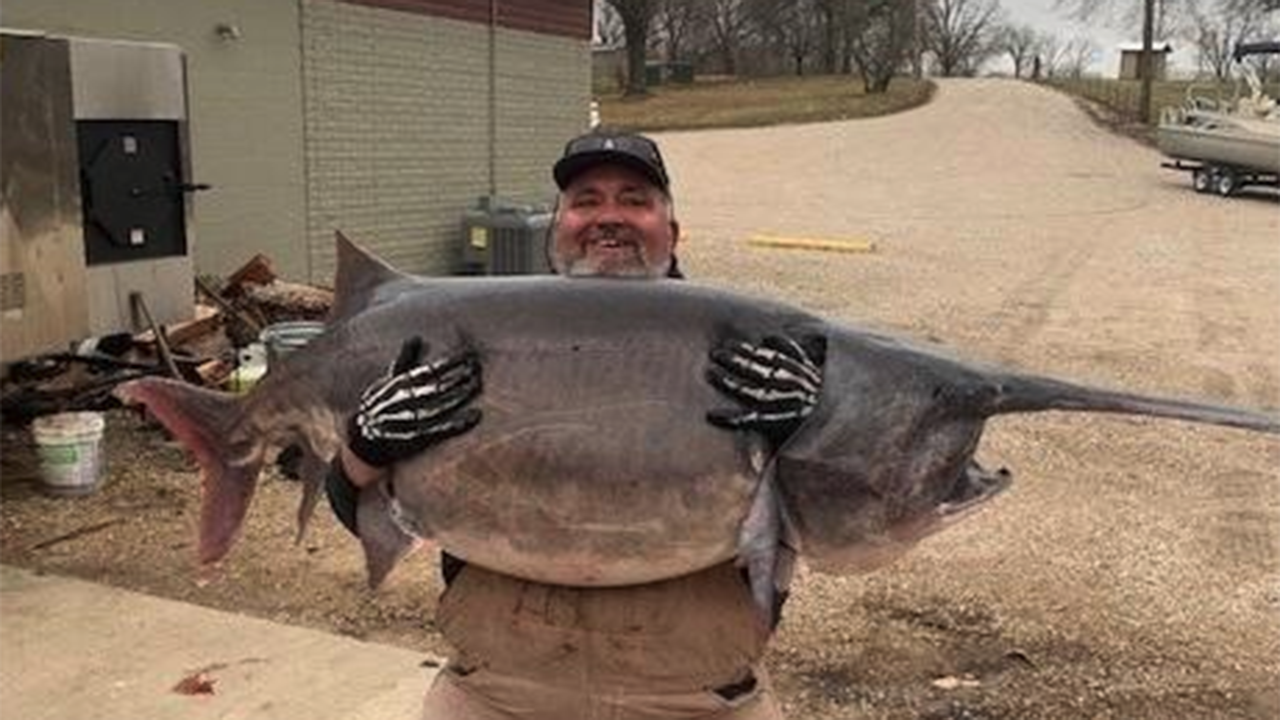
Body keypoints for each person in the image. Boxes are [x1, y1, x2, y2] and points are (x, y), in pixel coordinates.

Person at [326, 129, 825, 719]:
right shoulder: (462, 341)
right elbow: (360, 506)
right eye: (586, 199)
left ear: (673, 230)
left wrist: (816, 438)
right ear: (554, 229)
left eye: (635, 199)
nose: (608, 217)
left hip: (696, 699)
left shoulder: (755, 355)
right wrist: (365, 447)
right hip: (496, 692)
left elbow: (840, 527)